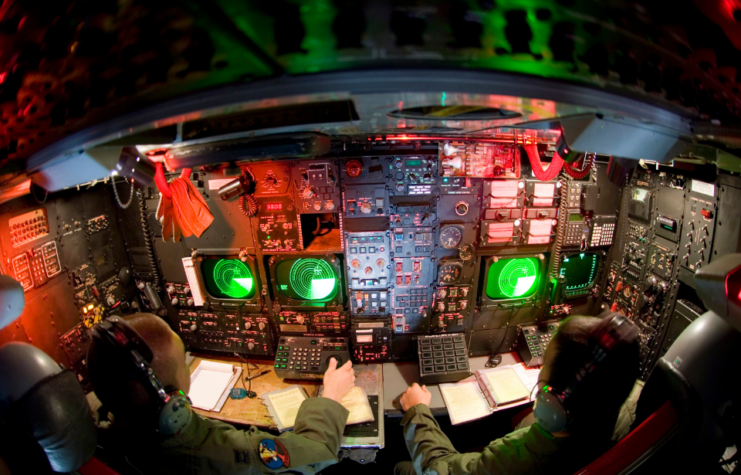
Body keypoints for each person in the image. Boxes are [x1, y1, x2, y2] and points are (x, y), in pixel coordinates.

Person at [87, 313, 355, 474]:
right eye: (184, 363)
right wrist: (330, 395)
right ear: (170, 401)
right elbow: (316, 452)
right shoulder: (220, 456)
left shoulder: (92, 431)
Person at [395, 314, 640, 475]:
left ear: (551, 405)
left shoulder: (518, 460)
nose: (541, 373)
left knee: (401, 468)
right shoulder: (630, 401)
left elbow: (438, 469)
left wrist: (418, 410)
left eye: (544, 367)